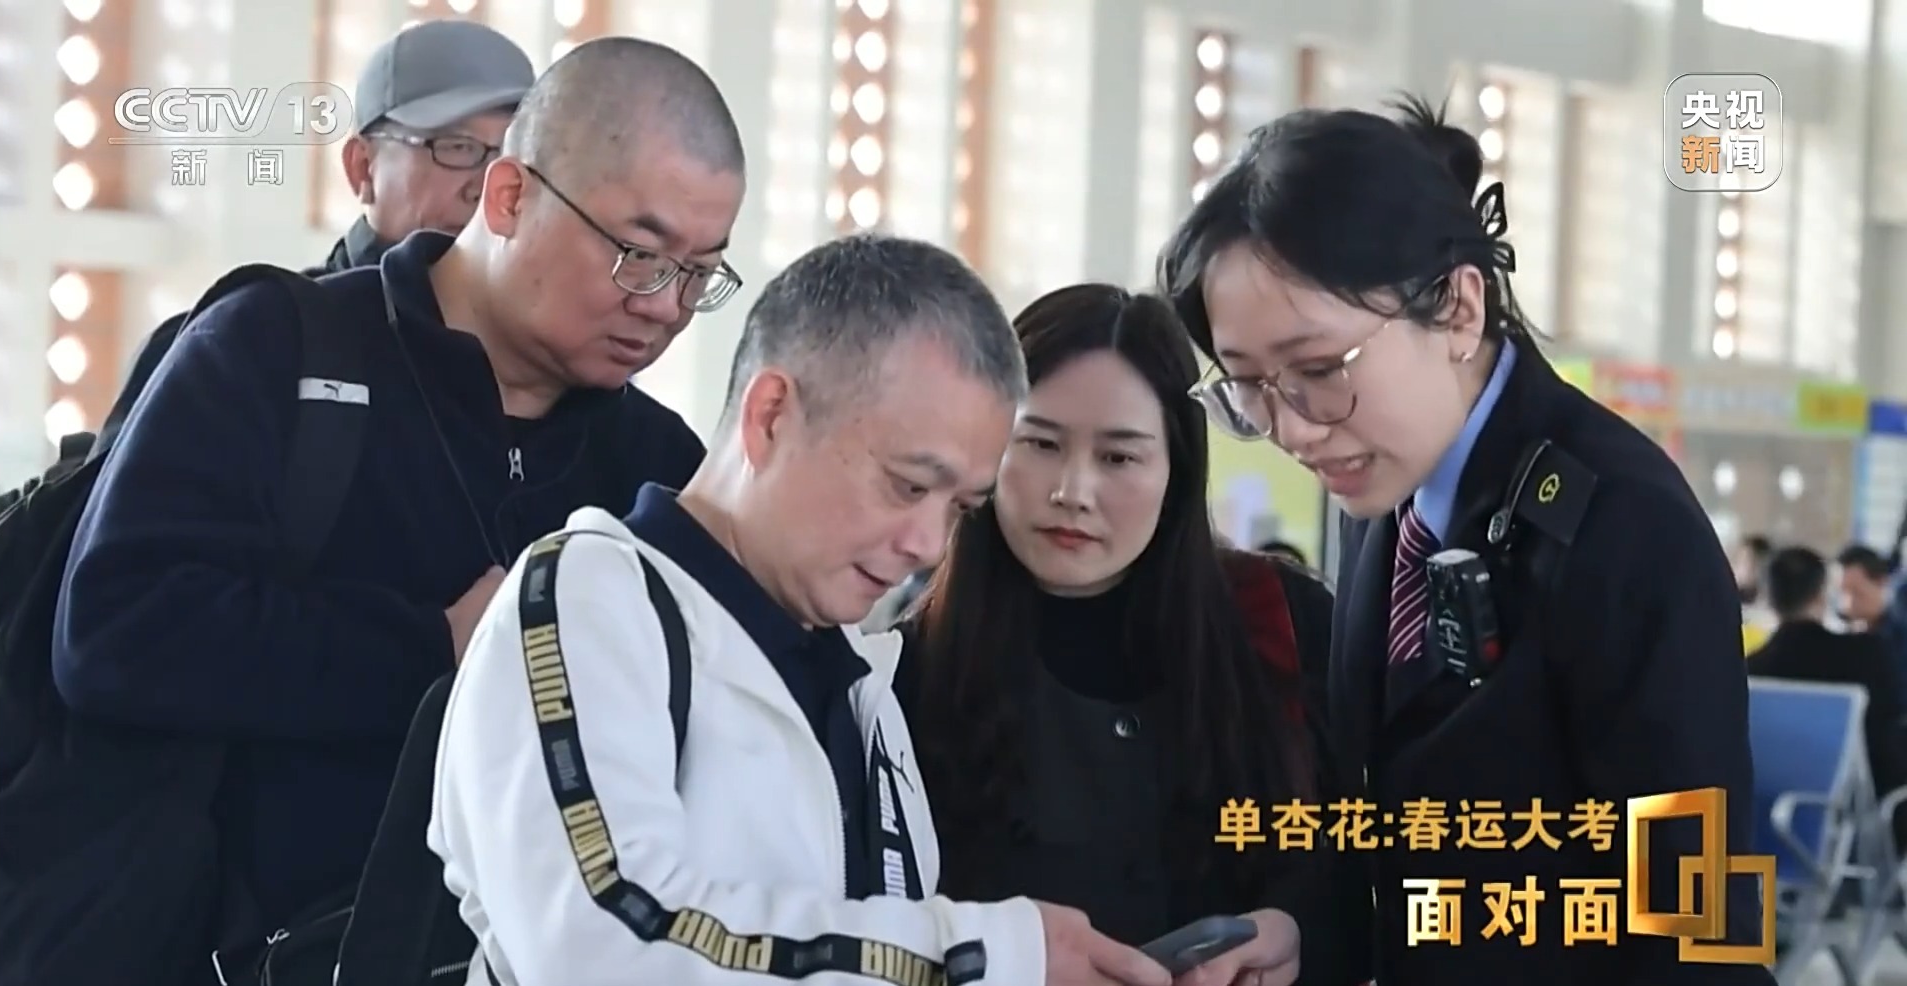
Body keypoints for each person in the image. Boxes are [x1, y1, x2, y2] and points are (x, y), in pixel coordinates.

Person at [52, 37, 740, 939]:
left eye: (699, 273)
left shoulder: (659, 467)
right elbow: (114, 633)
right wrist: (435, 646)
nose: (662, 305)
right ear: (509, 196)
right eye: (636, 254)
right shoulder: (277, 348)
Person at [430, 236, 1175, 986]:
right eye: (909, 485)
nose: (927, 544)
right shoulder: (588, 599)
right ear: (772, 416)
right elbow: (602, 947)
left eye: (959, 508)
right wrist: (986, 955)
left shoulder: (862, 678)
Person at [1158, 96, 1772, 984]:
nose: (1293, 430)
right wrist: (1309, 935)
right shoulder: (1386, 494)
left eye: (1320, 370)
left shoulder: (1626, 529)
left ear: (1458, 309)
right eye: (1251, 386)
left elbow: (1698, 926)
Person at [894, 284, 1354, 986]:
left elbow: (1373, 869)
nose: (1072, 492)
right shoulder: (904, 675)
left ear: (1177, 468)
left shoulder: (1282, 624)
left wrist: (1295, 934)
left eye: (1118, 458)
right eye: (1039, 443)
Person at [110, 20, 538, 428]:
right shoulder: (245, 343)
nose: (488, 185)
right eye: (457, 147)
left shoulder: (555, 359)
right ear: (362, 167)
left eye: (512, 156)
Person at [1748, 547, 1906, 847]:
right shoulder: (1869, 655)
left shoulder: (1747, 672)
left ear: (1767, 597)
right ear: (1822, 594)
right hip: (1862, 827)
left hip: (1763, 829)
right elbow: (1888, 740)